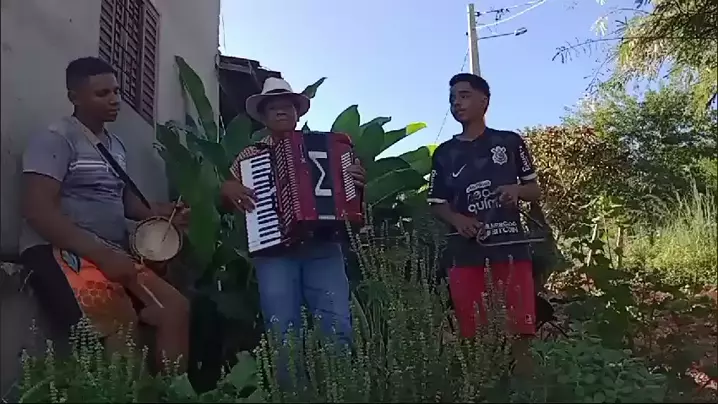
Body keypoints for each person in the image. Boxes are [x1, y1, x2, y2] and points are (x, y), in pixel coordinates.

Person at [20, 57, 190, 371]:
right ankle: (123, 390)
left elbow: (125, 202)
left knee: (175, 309)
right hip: (62, 251)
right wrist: (102, 254)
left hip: (110, 252)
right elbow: (37, 210)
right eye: (102, 94)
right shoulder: (56, 137)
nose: (114, 100)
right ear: (74, 97)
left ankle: (173, 391)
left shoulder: (116, 146)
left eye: (116, 91)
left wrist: (165, 214)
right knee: (119, 322)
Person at [220, 77, 366, 346]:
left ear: (297, 114)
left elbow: (351, 199)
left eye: (287, 106)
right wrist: (228, 189)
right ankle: (291, 378)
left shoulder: (329, 147)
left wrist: (355, 181)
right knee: (283, 332)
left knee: (338, 325)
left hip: (323, 245)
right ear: (263, 118)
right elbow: (228, 201)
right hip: (275, 249)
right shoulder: (250, 155)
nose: (280, 111)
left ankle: (340, 375)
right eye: (272, 107)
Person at [427, 73, 542, 372]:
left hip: (510, 249)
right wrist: (458, 220)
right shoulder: (444, 154)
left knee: (520, 332)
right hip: (465, 254)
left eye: (464, 95)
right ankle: (484, 387)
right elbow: (436, 203)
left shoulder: (510, 142)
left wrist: (516, 190)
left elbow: (534, 190)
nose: (456, 103)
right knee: (473, 335)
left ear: (484, 101)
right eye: (452, 98)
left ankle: (525, 388)